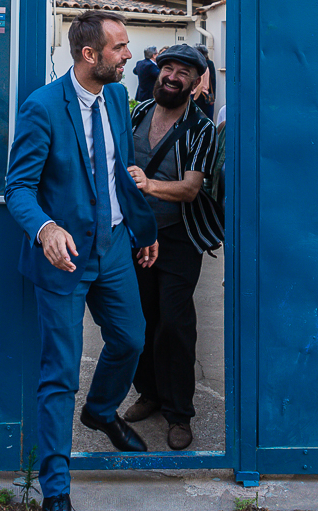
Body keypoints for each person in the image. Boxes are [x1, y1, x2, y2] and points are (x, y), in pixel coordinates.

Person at [5, 10, 160, 511]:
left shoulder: (117, 94)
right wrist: (45, 228)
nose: (129, 56)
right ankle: (55, 488)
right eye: (120, 48)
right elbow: (18, 188)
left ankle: (100, 411)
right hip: (65, 258)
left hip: (114, 246)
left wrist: (141, 228)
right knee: (60, 374)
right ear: (89, 55)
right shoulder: (43, 108)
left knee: (131, 339)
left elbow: (117, 168)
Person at [120, 44, 219, 451]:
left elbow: (192, 188)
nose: (173, 76)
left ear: (196, 83)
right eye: (168, 68)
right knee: (138, 319)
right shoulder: (140, 112)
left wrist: (148, 185)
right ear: (157, 73)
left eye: (184, 72)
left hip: (178, 238)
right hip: (136, 234)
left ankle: (179, 413)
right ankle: (150, 394)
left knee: (175, 325)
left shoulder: (202, 129)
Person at [191, 44, 218, 121]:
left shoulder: (196, 64)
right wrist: (213, 97)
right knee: (207, 119)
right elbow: (213, 81)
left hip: (198, 95)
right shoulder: (209, 63)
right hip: (205, 95)